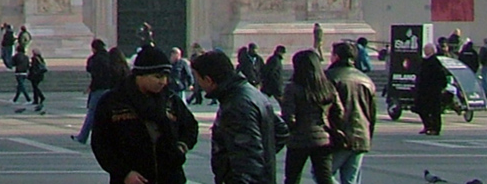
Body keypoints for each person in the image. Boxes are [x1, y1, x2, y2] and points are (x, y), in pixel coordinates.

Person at [90, 46, 199, 184]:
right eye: (157, 76)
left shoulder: (170, 100)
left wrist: (181, 147)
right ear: (140, 75)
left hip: (170, 177)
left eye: (166, 76)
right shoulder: (113, 102)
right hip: (132, 179)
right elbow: (101, 144)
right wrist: (124, 173)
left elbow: (191, 126)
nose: (163, 82)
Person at [193, 49, 277, 184]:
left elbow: (248, 162)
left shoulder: (236, 105)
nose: (199, 84)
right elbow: (280, 130)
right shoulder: (250, 93)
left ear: (208, 79)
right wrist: (266, 153)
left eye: (198, 78)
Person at [279, 49, 339, 184]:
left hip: (298, 139)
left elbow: (288, 116)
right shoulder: (327, 86)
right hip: (323, 138)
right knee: (324, 177)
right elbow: (338, 112)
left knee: (293, 178)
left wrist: (292, 129)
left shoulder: (293, 88)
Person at [324, 42, 376, 184]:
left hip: (339, 135)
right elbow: (372, 113)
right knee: (351, 179)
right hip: (361, 135)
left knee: (322, 174)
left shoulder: (329, 77)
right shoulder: (366, 80)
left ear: (336, 57)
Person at [79, 39, 118, 144]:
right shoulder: (109, 57)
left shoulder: (95, 59)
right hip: (109, 88)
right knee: (108, 114)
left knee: (92, 113)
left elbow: (94, 74)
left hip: (98, 89)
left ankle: (83, 137)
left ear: (94, 48)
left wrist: (91, 87)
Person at [413, 41, 451, 136]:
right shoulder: (424, 61)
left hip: (433, 91)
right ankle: (428, 126)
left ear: (432, 51)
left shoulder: (435, 62)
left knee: (434, 111)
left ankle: (435, 128)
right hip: (423, 90)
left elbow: (441, 76)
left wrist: (440, 87)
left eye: (427, 49)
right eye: (424, 49)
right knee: (421, 109)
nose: (425, 51)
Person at [28, 47, 49, 115]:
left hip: (35, 75)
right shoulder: (41, 58)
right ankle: (36, 99)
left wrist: (30, 71)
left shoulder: (34, 58)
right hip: (40, 75)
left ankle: (40, 97)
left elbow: (33, 67)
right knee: (35, 87)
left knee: (35, 87)